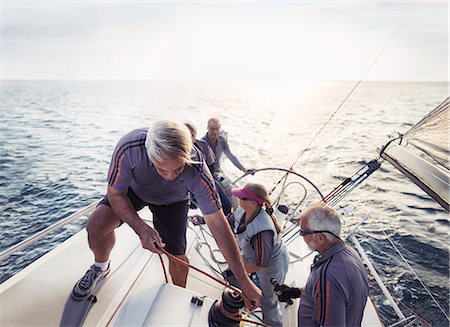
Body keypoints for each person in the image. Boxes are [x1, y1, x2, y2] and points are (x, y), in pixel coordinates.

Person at [71, 120, 261, 310]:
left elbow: (218, 222)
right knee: (96, 225)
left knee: (178, 258)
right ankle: (100, 267)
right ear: (148, 155)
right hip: (134, 190)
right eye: (162, 169)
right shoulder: (129, 147)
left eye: (178, 169)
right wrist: (141, 228)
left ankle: (177, 296)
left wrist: (244, 281)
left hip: (173, 201)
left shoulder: (197, 170)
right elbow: (115, 193)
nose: (170, 176)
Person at [275, 203, 369, 327]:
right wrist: (296, 292)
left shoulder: (328, 275)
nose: (300, 235)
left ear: (320, 237)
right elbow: (333, 296)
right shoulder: (350, 253)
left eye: (303, 232)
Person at [227, 183, 290, 327]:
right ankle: (248, 298)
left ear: (253, 202)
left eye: (242, 198)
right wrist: (202, 220)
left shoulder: (263, 231)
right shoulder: (242, 210)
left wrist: (238, 270)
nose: (238, 199)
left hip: (271, 266)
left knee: (269, 301)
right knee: (231, 275)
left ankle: (272, 324)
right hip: (253, 258)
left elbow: (260, 265)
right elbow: (228, 220)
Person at [184, 122, 232, 215]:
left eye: (192, 135)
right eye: (186, 136)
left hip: (206, 181)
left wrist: (218, 177)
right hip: (187, 188)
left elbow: (211, 169)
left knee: (227, 206)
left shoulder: (203, 146)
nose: (189, 139)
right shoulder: (174, 152)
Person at [201, 117, 255, 184]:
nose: (214, 132)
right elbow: (203, 167)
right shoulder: (202, 144)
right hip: (207, 176)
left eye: (217, 129)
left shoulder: (222, 140)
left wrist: (244, 169)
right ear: (208, 128)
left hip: (218, 173)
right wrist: (219, 177)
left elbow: (230, 156)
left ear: (220, 129)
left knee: (231, 188)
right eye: (212, 129)